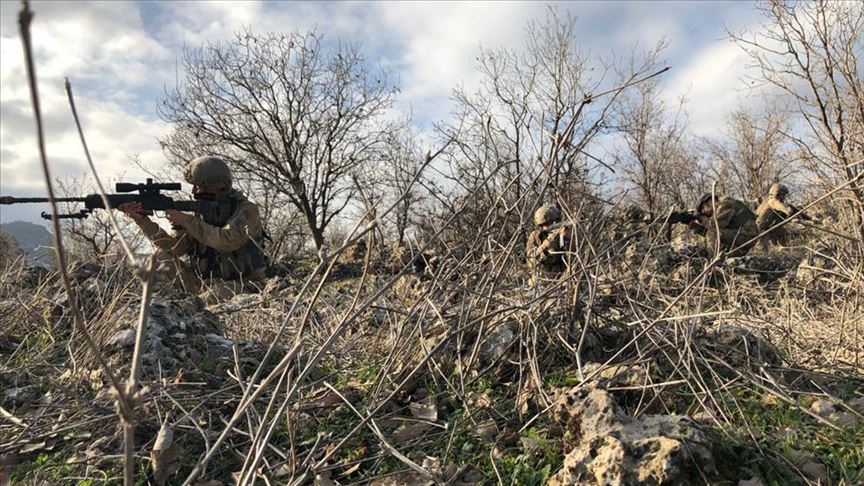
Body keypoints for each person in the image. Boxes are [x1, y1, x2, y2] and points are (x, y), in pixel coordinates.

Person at [119, 156, 267, 304]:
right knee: (161, 257)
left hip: (245, 285)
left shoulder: (246, 210)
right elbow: (174, 248)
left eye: (198, 186)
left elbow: (227, 240)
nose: (193, 190)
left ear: (216, 186)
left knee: (206, 300)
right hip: (204, 284)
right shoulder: (200, 213)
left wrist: (185, 220)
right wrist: (142, 220)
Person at [690, 193, 758, 257]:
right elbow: (713, 231)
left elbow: (716, 226)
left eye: (703, 207)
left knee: (712, 233)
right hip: (741, 237)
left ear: (710, 201)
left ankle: (712, 260)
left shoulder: (726, 203)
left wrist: (701, 218)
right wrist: (698, 228)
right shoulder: (721, 208)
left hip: (748, 235)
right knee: (709, 238)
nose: (703, 211)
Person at [526, 204, 574, 283]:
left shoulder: (566, 233)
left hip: (562, 276)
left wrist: (567, 238)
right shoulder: (535, 236)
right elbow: (531, 263)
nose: (542, 227)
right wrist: (548, 242)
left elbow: (573, 259)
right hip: (542, 277)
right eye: (541, 225)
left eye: (546, 224)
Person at [755, 183, 810, 250]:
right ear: (778, 194)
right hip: (761, 231)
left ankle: (783, 250)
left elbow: (794, 211)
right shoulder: (772, 202)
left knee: (783, 233)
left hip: (770, 228)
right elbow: (787, 210)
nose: (784, 197)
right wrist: (790, 212)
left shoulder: (770, 202)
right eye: (783, 195)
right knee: (762, 250)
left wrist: (809, 218)